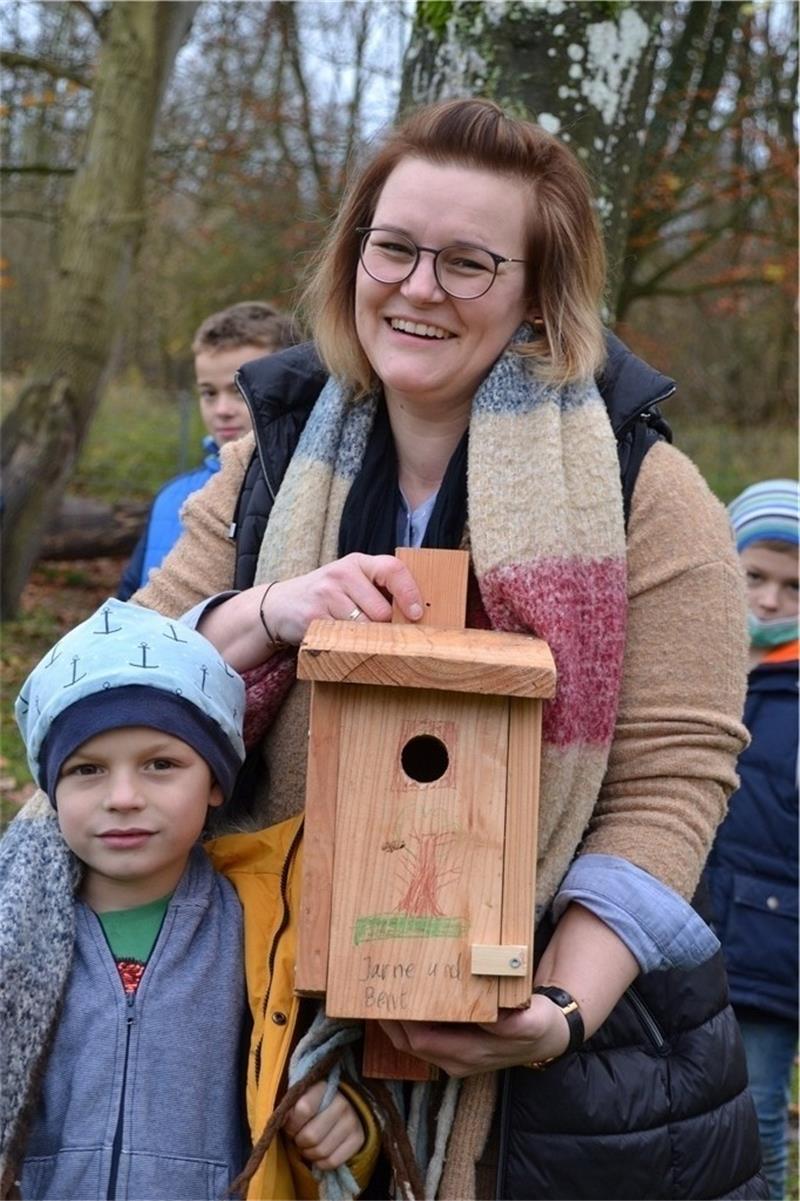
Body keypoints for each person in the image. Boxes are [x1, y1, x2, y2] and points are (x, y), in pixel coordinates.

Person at [101, 97, 768, 1198]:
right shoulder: (266, 460)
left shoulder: (645, 489)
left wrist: (554, 1009)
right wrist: (265, 611)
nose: (416, 288)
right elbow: (121, 679)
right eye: (395, 247)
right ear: (353, 252)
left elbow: (672, 778)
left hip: (569, 1079)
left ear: (535, 291)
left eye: (468, 263)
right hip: (264, 1010)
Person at [0, 600, 377, 1201]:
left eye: (161, 764)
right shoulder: (13, 931)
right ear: (51, 787)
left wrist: (349, 1129)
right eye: (87, 770)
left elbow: (306, 1079)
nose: (123, 796)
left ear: (216, 783)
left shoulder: (267, 932)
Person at [705, 479, 799, 1201]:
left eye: (793, 587)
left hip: (770, 943)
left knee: (760, 1101)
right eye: (755, 577)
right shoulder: (696, 666)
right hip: (689, 926)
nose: (769, 601)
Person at [117, 301, 300, 601]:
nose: (222, 410)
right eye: (209, 393)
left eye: (241, 391)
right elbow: (130, 604)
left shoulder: (309, 493)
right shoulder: (171, 498)